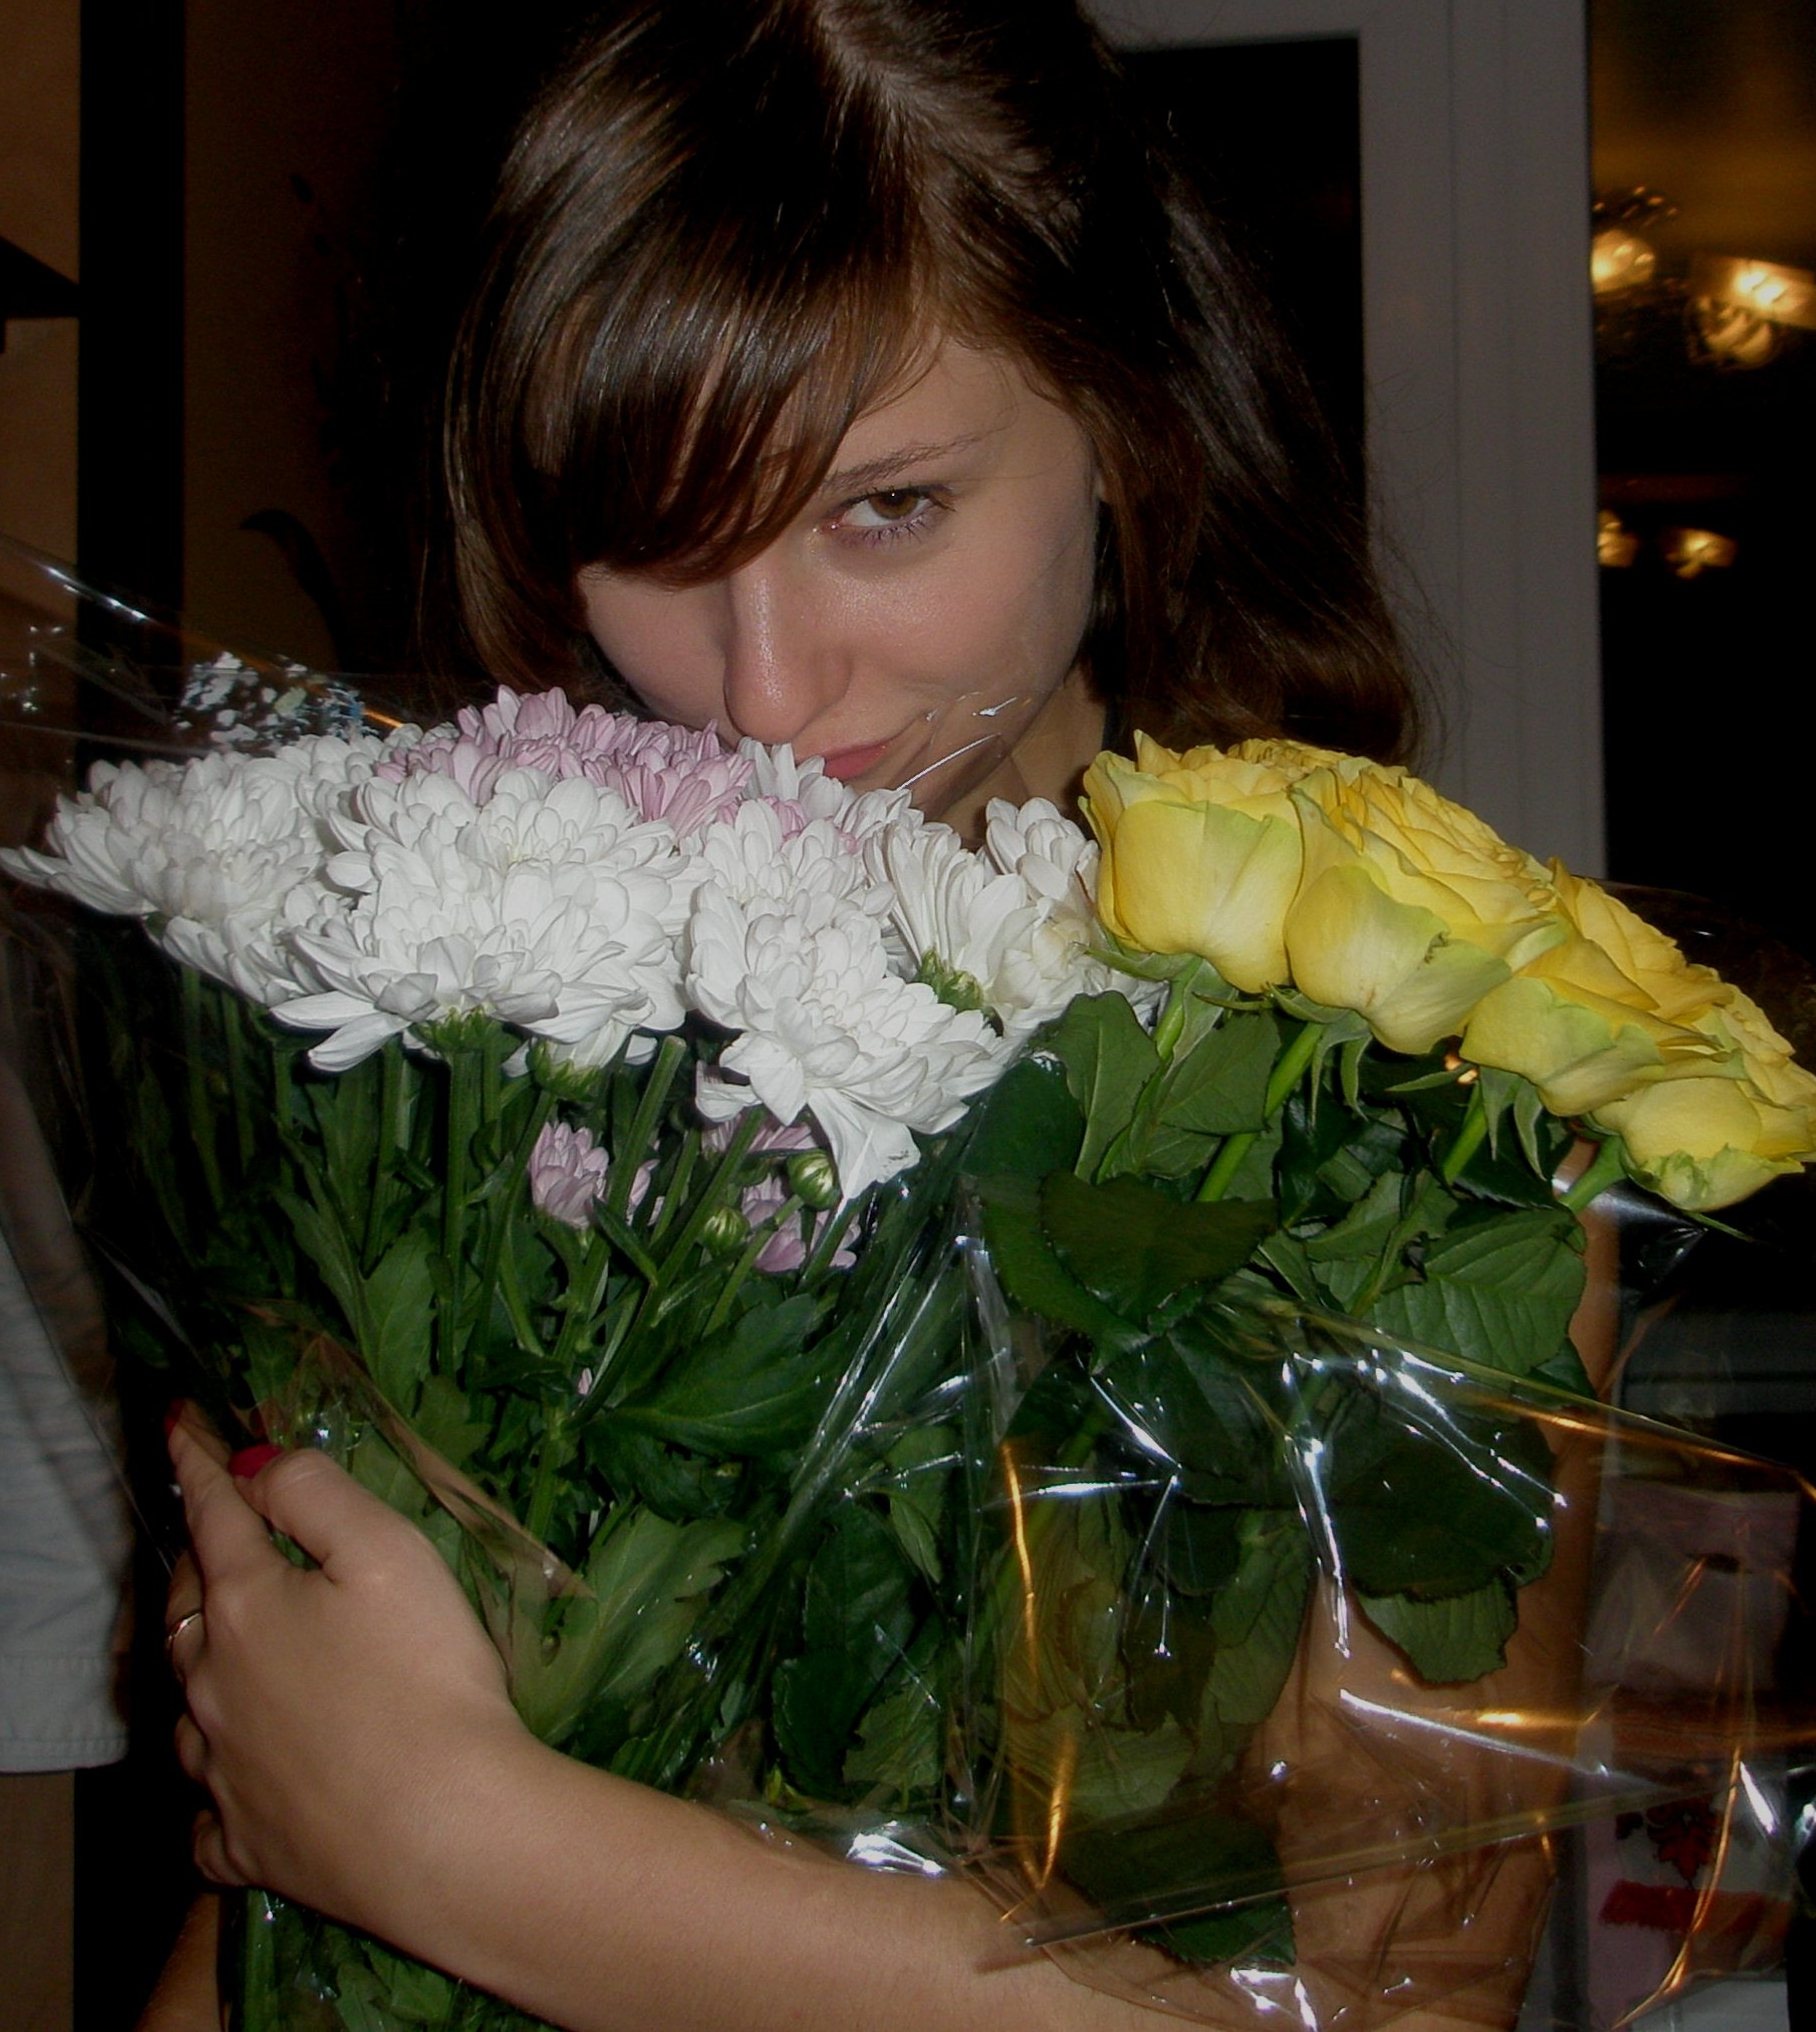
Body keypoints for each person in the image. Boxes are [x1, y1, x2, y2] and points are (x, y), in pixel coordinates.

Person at [144, 4, 1590, 2027]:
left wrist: (454, 1836)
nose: (759, 688)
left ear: (1130, 416)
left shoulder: (1414, 1092)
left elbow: (1397, 1996)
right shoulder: (495, 1013)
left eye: (884, 507)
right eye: (652, 540)